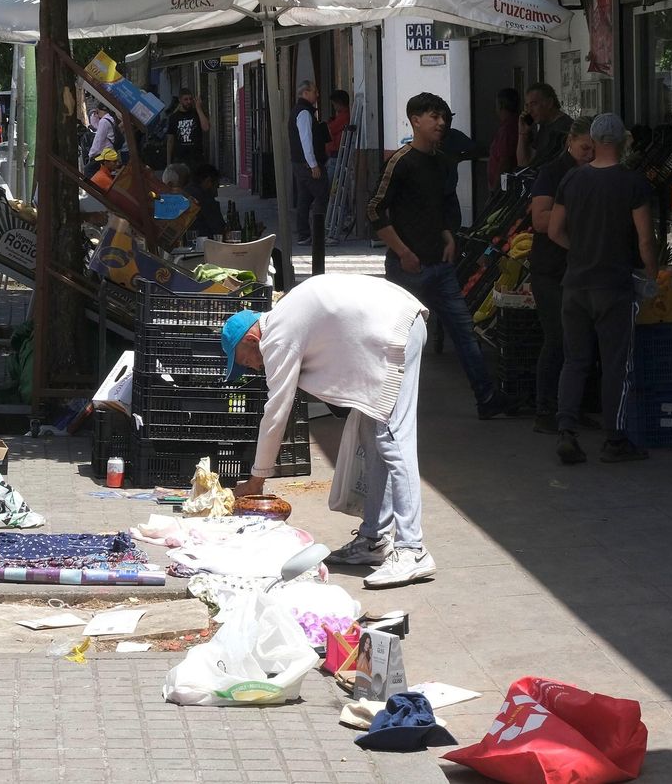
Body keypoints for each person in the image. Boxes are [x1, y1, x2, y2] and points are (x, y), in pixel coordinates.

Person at [221, 274, 437, 588]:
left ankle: (412, 549)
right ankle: (373, 540)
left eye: (245, 361)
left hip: (396, 329)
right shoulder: (284, 319)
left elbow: (277, 410)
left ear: (252, 340)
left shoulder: (277, 336)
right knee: (372, 438)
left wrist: (257, 479)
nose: (252, 368)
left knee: (392, 438)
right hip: (387, 329)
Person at [368, 92, 517, 420]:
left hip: (440, 265)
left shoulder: (439, 161)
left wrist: (448, 235)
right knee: (397, 341)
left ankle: (487, 398)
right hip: (407, 269)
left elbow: (439, 207)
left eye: (443, 116)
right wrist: (402, 251)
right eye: (433, 116)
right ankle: (381, 405)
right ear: (415, 120)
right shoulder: (400, 162)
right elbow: (374, 210)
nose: (441, 122)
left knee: (464, 332)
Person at [548, 113, 655, 464]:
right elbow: (644, 240)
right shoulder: (632, 183)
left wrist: (580, 251)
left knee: (575, 360)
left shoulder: (573, 179)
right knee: (614, 364)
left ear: (593, 141)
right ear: (622, 141)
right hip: (614, 285)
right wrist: (652, 276)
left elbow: (554, 230)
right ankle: (615, 438)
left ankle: (565, 430)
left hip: (575, 284)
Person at [528, 116, 595, 433]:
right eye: (585, 147)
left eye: (595, 149)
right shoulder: (553, 172)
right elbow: (540, 221)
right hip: (551, 269)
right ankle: (545, 409)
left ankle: (571, 407)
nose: (589, 154)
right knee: (557, 337)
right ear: (572, 141)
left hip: (580, 269)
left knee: (580, 341)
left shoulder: (594, 172)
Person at [289, 80, 329, 246]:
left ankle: (304, 235)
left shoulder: (300, 110)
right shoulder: (304, 113)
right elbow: (306, 140)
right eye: (314, 91)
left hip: (299, 164)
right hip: (306, 165)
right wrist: (313, 165)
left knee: (304, 199)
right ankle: (318, 233)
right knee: (321, 194)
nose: (317, 95)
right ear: (305, 93)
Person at [516, 82, 573, 170]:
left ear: (550, 103)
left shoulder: (565, 127)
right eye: (527, 106)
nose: (529, 110)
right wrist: (522, 133)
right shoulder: (544, 126)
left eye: (534, 104)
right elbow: (523, 162)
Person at [165, 87, 210, 167]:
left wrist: (199, 108)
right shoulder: (174, 117)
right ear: (180, 100)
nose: (189, 102)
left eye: (190, 99)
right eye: (186, 99)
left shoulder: (196, 113)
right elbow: (170, 141)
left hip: (196, 157)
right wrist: (168, 163)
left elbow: (206, 128)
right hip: (180, 158)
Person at [486, 88, 521, 188]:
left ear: (500, 105)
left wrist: (496, 189)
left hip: (505, 186)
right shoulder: (515, 124)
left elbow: (505, 162)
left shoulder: (507, 129)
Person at [184, 163, 226, 239]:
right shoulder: (205, 199)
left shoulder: (186, 191)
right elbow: (219, 228)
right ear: (208, 181)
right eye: (216, 186)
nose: (216, 193)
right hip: (203, 241)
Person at [325, 89, 352, 177]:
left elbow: (330, 129)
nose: (334, 107)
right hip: (336, 153)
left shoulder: (344, 116)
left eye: (334, 104)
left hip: (337, 154)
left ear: (339, 103)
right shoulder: (342, 116)